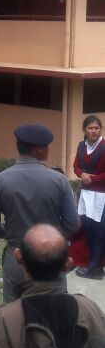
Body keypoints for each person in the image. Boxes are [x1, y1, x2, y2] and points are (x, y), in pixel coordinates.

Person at [0, 123, 79, 301]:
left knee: (13, 318)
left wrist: (11, 233)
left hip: (17, 257)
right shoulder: (59, 180)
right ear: (38, 150)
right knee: (55, 315)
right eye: (47, 145)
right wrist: (51, 238)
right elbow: (72, 224)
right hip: (51, 259)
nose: (49, 149)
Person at [73, 114, 105, 279]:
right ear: (84, 130)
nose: (94, 131)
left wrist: (91, 178)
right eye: (90, 128)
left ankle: (96, 269)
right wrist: (82, 174)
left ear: (101, 129)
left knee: (99, 232)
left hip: (101, 196)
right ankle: (86, 262)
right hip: (85, 195)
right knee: (86, 230)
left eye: (97, 128)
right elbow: (76, 166)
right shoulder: (81, 146)